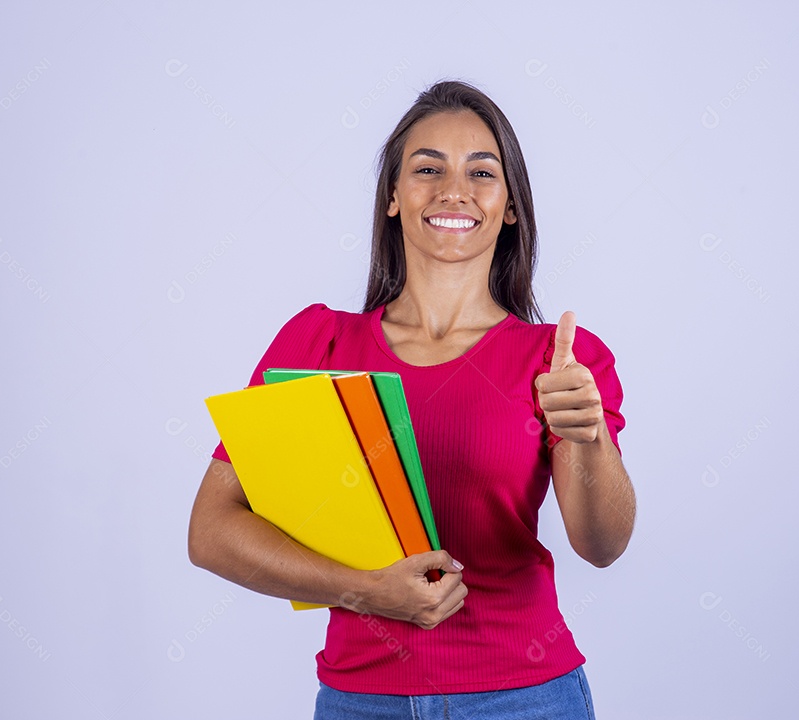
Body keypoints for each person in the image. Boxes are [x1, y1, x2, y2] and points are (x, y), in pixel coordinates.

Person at [188, 79, 636, 719]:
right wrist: (365, 592)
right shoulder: (317, 343)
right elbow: (211, 530)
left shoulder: (559, 360)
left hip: (525, 698)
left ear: (510, 206)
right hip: (360, 702)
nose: (454, 190)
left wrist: (587, 434)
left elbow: (601, 545)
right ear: (394, 197)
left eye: (483, 172)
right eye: (428, 168)